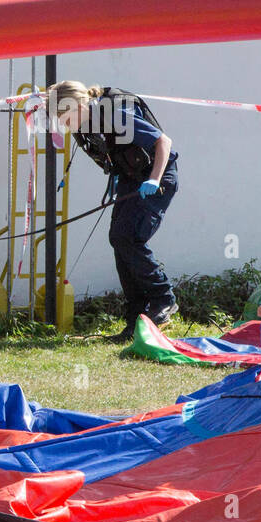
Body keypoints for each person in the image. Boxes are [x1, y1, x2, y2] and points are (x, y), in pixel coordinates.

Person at [47, 80, 179, 341]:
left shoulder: (116, 114)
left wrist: (153, 179)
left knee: (127, 237)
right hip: (132, 179)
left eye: (65, 116)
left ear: (80, 104)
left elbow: (163, 142)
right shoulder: (86, 125)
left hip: (158, 178)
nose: (63, 123)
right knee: (118, 239)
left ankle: (163, 297)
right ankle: (135, 320)